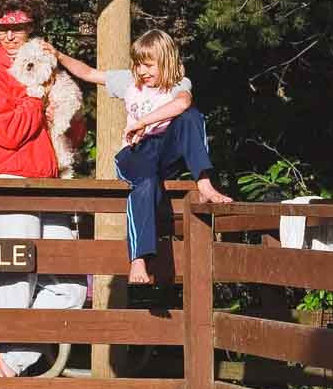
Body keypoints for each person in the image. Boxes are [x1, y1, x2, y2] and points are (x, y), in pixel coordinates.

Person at [0, 0, 88, 376]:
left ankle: (8, 362)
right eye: (1, 28)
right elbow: (7, 133)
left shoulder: (46, 60)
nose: (9, 35)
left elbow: (74, 133)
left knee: (72, 289)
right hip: (6, 180)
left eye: (17, 27)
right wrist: (36, 98)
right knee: (16, 283)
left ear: (32, 25)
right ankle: (8, 378)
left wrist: (68, 114)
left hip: (48, 183)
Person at [56, 29, 233, 284]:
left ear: (167, 62)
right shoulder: (128, 81)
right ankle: (139, 258)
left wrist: (142, 121)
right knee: (146, 182)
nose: (142, 71)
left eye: (149, 65)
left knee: (191, 117)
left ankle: (204, 182)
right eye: (139, 65)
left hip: (163, 151)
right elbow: (88, 73)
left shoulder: (179, 84)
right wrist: (59, 55)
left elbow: (182, 104)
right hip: (134, 153)